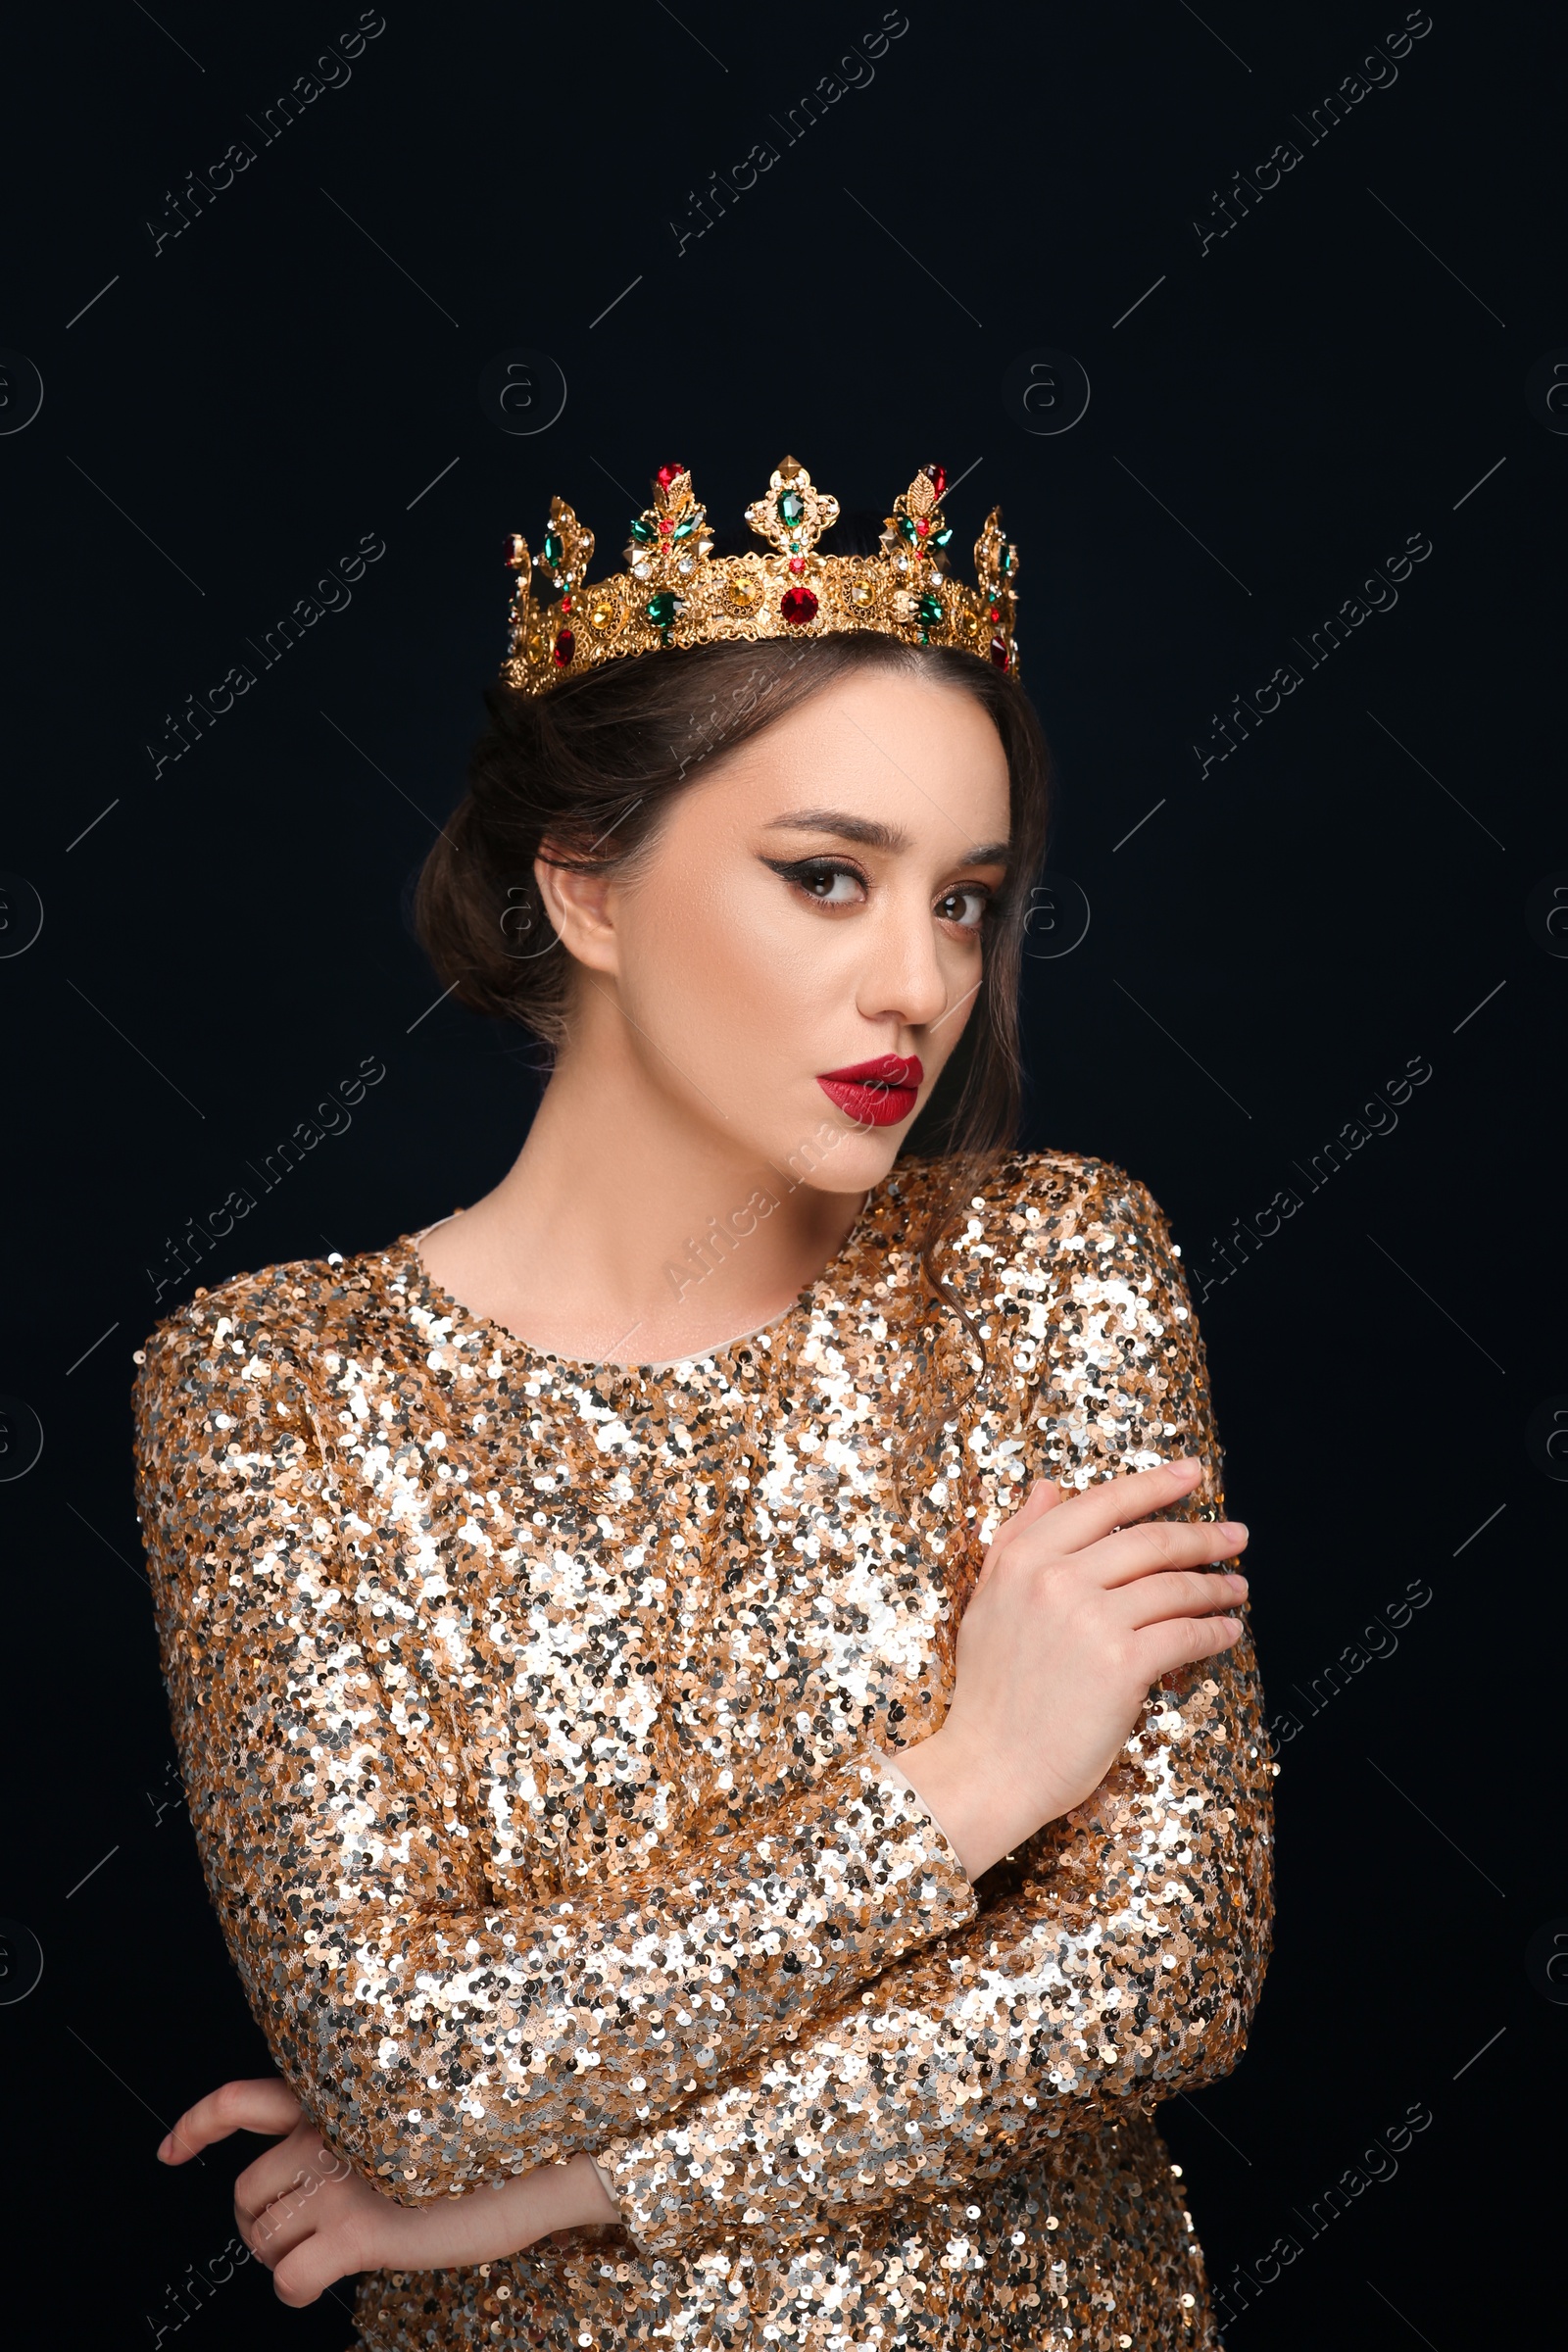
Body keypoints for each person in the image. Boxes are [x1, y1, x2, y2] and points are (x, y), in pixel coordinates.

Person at [134, 457, 1272, 2350]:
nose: (919, 983)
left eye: (968, 902)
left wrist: (554, 2183)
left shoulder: (1054, 1270)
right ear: (583, 884)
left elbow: (1161, 1976)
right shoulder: (272, 1389)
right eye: (826, 877)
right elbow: (407, 2075)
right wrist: (969, 1787)